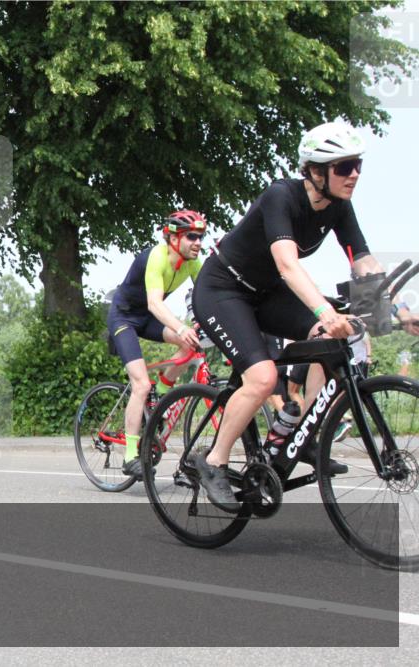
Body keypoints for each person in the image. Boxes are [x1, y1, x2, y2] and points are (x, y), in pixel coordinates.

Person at [190, 122, 419, 511]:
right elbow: (287, 265)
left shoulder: (339, 207)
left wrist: (400, 309)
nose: (355, 174)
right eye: (344, 166)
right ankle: (212, 461)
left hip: (266, 295)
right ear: (315, 170)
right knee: (262, 377)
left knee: (334, 343)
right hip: (223, 291)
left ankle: (303, 436)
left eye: (357, 165)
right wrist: (325, 311)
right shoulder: (281, 197)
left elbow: (361, 260)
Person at [106, 210, 206, 478]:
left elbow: (209, 294)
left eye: (201, 236)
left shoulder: (192, 263)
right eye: (191, 236)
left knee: (190, 345)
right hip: (125, 317)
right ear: (172, 238)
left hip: (147, 319)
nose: (198, 242)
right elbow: (155, 303)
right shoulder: (156, 257)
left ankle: (160, 395)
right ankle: (129, 455)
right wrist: (180, 326)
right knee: (140, 384)